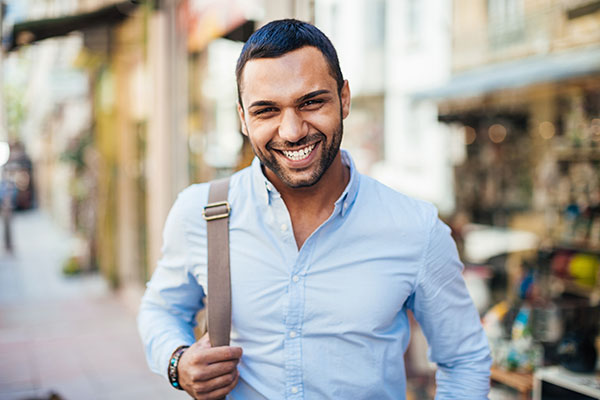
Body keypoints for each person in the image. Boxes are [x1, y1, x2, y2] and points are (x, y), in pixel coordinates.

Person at [138, 19, 492, 400]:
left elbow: (464, 359)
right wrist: (176, 362)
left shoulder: (415, 228)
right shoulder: (201, 212)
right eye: (266, 111)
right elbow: (161, 308)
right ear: (243, 118)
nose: (291, 131)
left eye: (311, 102)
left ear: (344, 98)